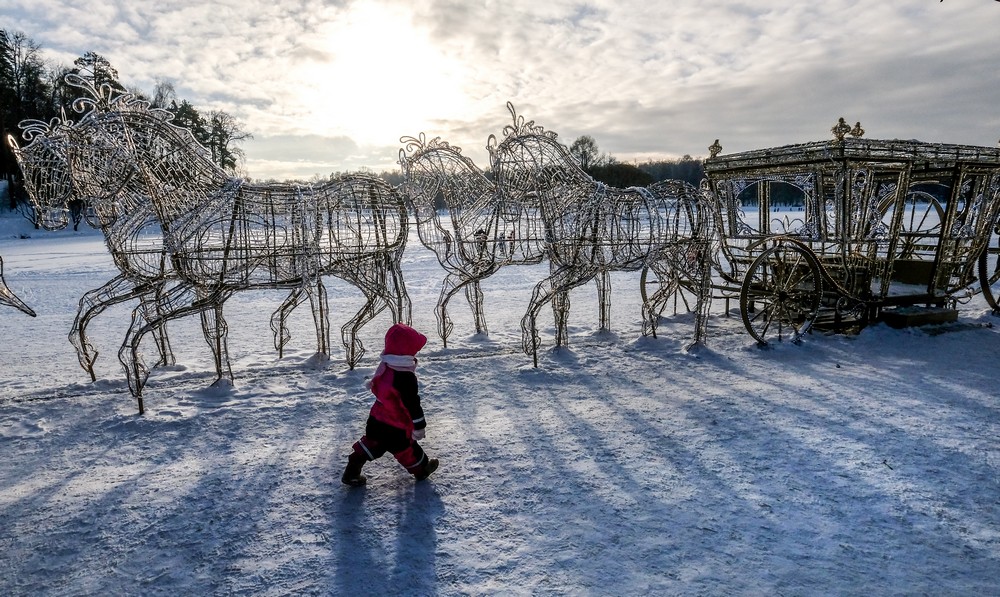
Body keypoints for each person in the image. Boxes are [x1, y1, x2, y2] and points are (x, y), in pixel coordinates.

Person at [342, 322, 438, 486]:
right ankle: (422, 470)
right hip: (396, 425)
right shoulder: (405, 378)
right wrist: (419, 426)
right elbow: (412, 404)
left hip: (377, 419)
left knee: (372, 443)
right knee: (407, 449)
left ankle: (352, 471)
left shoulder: (386, 366)